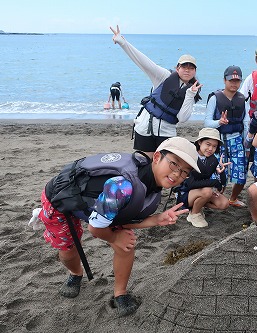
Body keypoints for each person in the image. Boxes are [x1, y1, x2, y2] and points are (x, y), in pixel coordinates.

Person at [37, 137, 200, 317]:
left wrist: (156, 219)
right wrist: (114, 237)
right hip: (61, 201)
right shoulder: (122, 186)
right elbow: (95, 228)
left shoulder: (153, 182)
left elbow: (123, 217)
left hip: (101, 208)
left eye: (185, 172)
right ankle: (75, 273)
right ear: (156, 158)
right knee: (69, 250)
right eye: (174, 164)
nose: (177, 174)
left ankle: (120, 293)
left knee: (126, 243)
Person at [110, 25, 202, 159]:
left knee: (162, 167)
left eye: (191, 68)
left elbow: (182, 118)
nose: (187, 70)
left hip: (167, 132)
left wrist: (190, 95)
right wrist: (122, 42)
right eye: (184, 66)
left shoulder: (193, 90)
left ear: (195, 71)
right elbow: (143, 61)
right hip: (144, 127)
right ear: (177, 68)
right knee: (143, 164)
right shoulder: (163, 76)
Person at [204, 65, 249, 207]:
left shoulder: (242, 100)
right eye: (231, 80)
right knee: (216, 174)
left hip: (237, 140)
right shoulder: (214, 98)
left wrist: (246, 143)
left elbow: (246, 122)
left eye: (237, 81)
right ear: (224, 80)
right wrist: (219, 122)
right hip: (218, 142)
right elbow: (206, 122)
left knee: (241, 175)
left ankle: (233, 198)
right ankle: (215, 198)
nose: (234, 83)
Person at [176, 128, 231, 228]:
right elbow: (190, 184)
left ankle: (198, 205)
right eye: (208, 144)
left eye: (214, 146)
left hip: (202, 191)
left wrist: (221, 171)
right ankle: (194, 214)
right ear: (200, 142)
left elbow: (221, 185)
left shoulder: (212, 159)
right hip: (185, 194)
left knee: (224, 203)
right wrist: (213, 183)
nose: (210, 149)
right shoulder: (190, 157)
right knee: (207, 191)